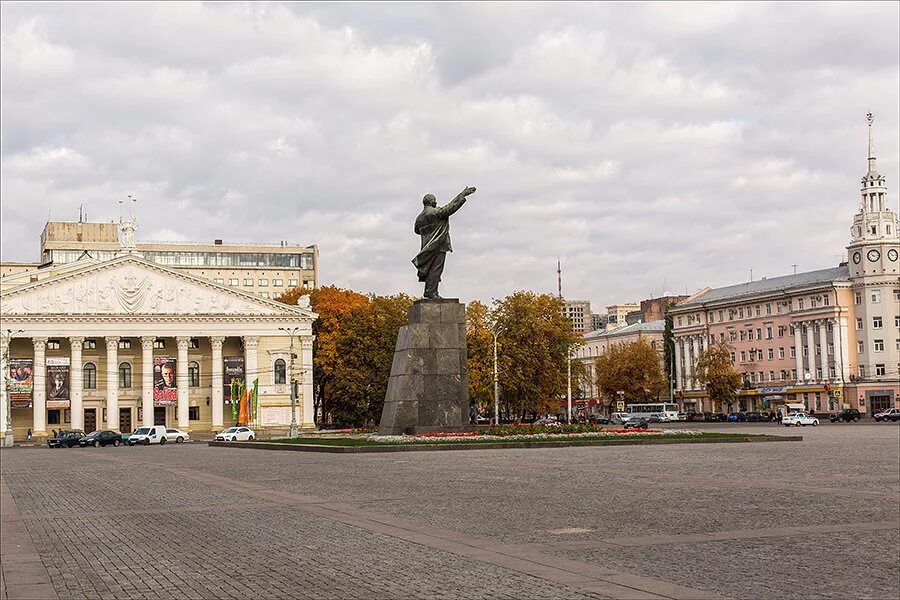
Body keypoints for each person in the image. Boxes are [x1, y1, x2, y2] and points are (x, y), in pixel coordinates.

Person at [411, 186, 476, 299]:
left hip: (427, 247)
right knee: (436, 269)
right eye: (435, 200)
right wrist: (462, 195)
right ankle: (431, 293)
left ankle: (429, 291)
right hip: (438, 245)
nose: (436, 202)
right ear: (432, 202)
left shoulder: (419, 218)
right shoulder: (436, 213)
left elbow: (416, 231)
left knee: (430, 269)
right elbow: (450, 208)